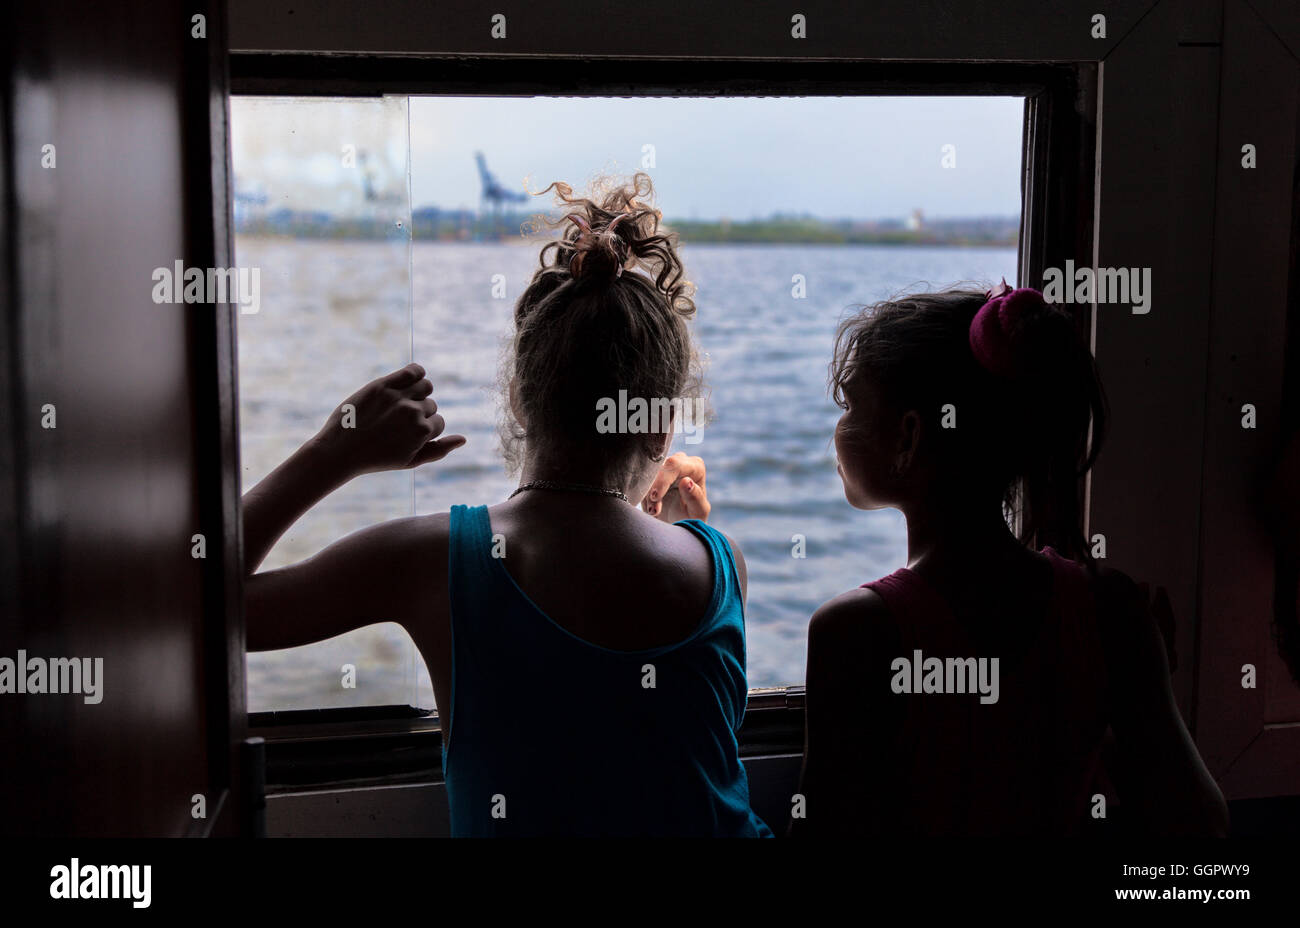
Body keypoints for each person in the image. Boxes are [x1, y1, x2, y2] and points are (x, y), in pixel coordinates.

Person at [242, 174, 771, 837]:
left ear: (519, 400)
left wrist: (334, 451)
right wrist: (683, 531)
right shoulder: (721, 564)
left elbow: (214, 611)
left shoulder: (437, 559)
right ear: (661, 428)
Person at [793, 281, 1228, 836]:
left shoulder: (855, 631)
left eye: (850, 405)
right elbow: (1201, 828)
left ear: (908, 438)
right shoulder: (1109, 610)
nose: (838, 430)